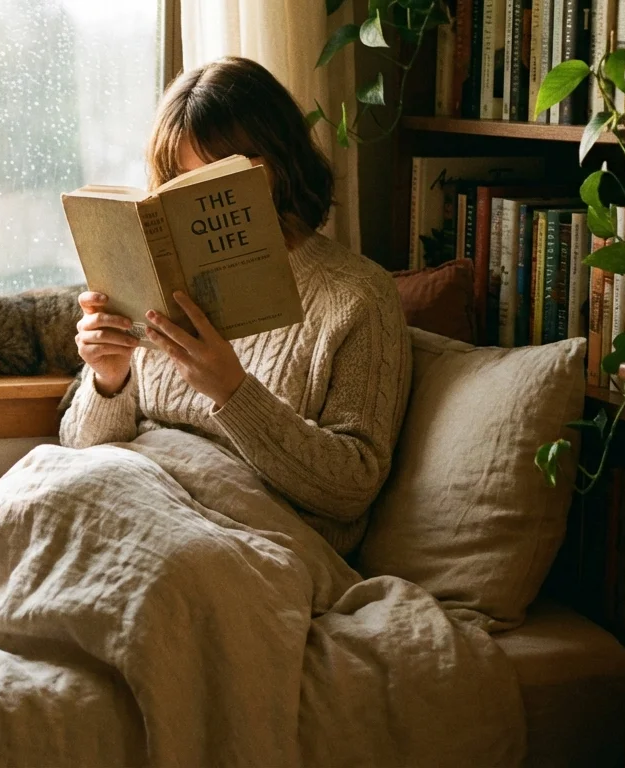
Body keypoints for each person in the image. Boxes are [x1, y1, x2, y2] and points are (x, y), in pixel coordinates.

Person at [60, 56, 411, 555]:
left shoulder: (357, 296)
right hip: (136, 504)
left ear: (280, 164)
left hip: (245, 541)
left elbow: (351, 489)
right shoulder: (160, 282)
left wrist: (234, 392)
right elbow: (80, 454)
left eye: (223, 176)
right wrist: (108, 379)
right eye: (182, 179)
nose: (204, 197)